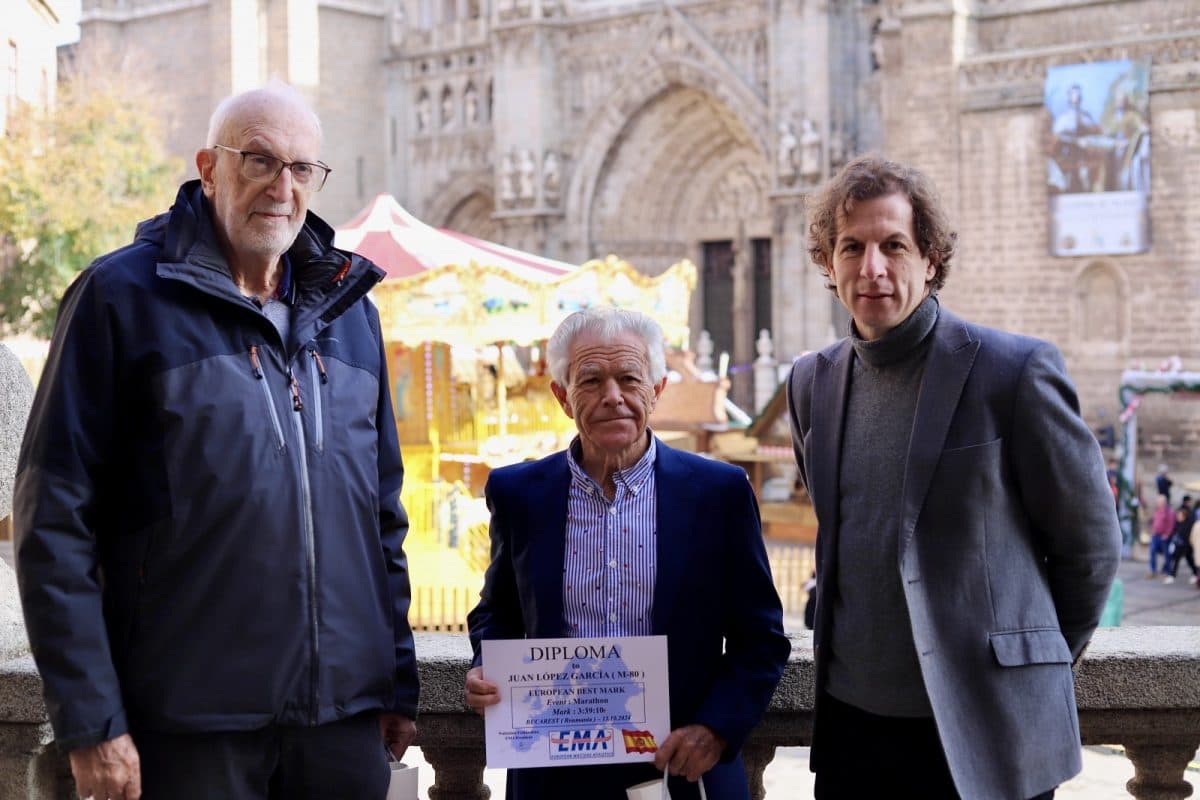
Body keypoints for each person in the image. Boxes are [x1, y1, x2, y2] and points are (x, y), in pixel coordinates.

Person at [13, 83, 418, 800]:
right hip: (189, 729)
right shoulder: (119, 298)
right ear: (208, 168)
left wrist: (396, 679)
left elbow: (381, 515)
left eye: (301, 169)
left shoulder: (352, 316)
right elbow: (53, 524)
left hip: (343, 726)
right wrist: (91, 721)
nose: (281, 187)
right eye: (257, 161)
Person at [786, 155, 1121, 800]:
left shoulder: (1013, 371)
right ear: (828, 263)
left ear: (932, 259)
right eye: (851, 247)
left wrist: (1021, 667)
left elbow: (1091, 548)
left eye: (894, 246)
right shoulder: (810, 382)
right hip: (853, 732)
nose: (872, 268)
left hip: (986, 734)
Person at [464, 307, 790, 799]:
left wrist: (715, 730)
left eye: (629, 378)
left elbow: (761, 638)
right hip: (555, 771)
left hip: (681, 767)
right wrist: (486, 668)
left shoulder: (717, 493)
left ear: (656, 389)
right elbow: (498, 613)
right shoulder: (520, 494)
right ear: (562, 396)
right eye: (590, 380)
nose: (612, 397)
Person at [1164, 497, 1198, 586]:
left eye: (1179, 515)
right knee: (1176, 560)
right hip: (1179, 545)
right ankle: (1172, 575)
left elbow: (1187, 536)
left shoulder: (1187, 524)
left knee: (1189, 560)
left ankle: (1195, 574)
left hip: (1186, 546)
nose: (1178, 516)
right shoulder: (1179, 524)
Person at [1149, 494, 1175, 578]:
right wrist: (1152, 531)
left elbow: (1171, 524)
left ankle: (1167, 570)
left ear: (1164, 502)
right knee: (1152, 551)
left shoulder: (1169, 512)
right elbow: (1154, 522)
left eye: (1159, 502)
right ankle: (1153, 570)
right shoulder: (1157, 510)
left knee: (1166, 554)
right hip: (1155, 535)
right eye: (1157, 502)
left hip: (1163, 536)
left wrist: (1167, 534)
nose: (1157, 503)